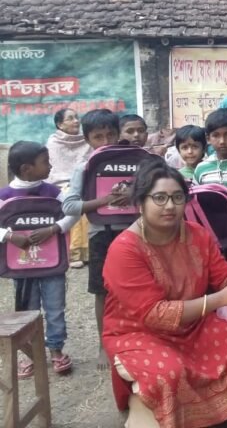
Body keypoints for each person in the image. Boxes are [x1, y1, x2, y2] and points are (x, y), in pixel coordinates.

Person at [101, 160, 227, 428]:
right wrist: (220, 299)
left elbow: (223, 276)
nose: (170, 205)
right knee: (169, 371)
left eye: (178, 197)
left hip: (193, 326)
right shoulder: (125, 250)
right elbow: (154, 314)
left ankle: (207, 411)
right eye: (160, 198)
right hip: (137, 332)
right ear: (140, 202)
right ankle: (141, 400)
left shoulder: (197, 233)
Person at [0, 141, 79, 377]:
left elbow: (72, 214)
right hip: (22, 269)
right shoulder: (4, 196)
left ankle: (55, 350)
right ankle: (30, 354)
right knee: (27, 310)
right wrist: (9, 235)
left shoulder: (54, 193)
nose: (50, 166)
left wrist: (53, 229)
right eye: (45, 162)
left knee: (55, 309)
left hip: (52, 267)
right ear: (26, 169)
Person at [61, 108, 130, 370]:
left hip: (136, 231)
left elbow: (151, 190)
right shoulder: (84, 167)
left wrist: (134, 194)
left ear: (118, 133)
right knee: (102, 291)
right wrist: (103, 201)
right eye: (97, 137)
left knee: (140, 288)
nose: (105, 142)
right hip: (102, 233)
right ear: (87, 139)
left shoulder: (135, 160)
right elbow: (69, 206)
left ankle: (138, 337)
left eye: (110, 135)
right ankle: (104, 345)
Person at [46, 108, 92, 268]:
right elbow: (54, 170)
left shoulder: (86, 141)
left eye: (77, 117)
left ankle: (88, 252)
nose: (76, 121)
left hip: (84, 182)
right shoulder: (53, 143)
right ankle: (74, 253)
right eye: (70, 118)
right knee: (72, 200)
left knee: (87, 197)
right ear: (60, 124)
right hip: (61, 184)